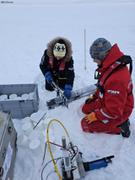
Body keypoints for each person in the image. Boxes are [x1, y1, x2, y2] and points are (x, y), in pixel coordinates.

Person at [81, 38, 134, 137]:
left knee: (85, 124)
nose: (93, 60)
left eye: (94, 57)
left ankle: (121, 126)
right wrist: (95, 96)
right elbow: (103, 85)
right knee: (85, 108)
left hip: (119, 111)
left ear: (102, 56)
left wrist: (96, 115)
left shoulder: (116, 80)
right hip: (108, 100)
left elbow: (114, 111)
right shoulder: (111, 65)